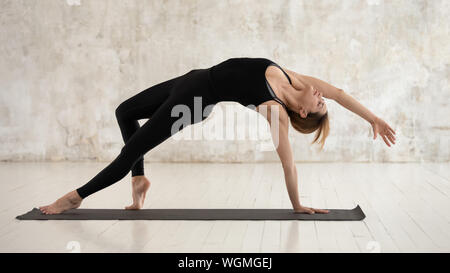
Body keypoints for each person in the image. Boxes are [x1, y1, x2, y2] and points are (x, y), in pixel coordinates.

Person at [39, 57, 396, 215]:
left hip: (193, 103)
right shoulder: (299, 82)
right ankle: (140, 181)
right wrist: (374, 118)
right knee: (124, 112)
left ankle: (75, 197)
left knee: (127, 152)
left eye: (318, 105)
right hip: (191, 79)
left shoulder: (274, 111)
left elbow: (287, 164)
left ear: (303, 112)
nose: (322, 98)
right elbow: (340, 93)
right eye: (321, 101)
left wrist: (297, 204)